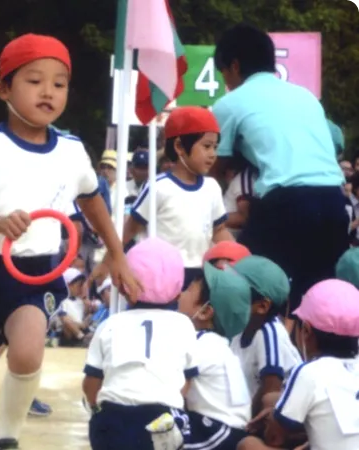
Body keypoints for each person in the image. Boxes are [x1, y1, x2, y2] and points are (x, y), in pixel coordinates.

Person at [0, 34, 141, 450]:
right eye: (35, 81)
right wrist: (0, 223)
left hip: (38, 272)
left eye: (59, 84)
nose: (48, 92)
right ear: (4, 89)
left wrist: (117, 254)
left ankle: (5, 439)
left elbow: (93, 203)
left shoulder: (73, 150)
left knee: (27, 355)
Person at [212, 24, 348, 323]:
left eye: (223, 72)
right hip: (335, 204)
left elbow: (212, 165)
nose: (226, 81)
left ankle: (258, 359)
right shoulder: (306, 97)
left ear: (234, 65)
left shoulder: (229, 103)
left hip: (288, 204)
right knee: (316, 299)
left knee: (251, 282)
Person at [84, 238, 196, 450]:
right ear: (179, 290)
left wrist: (95, 409)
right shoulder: (184, 325)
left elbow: (91, 383)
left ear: (125, 287)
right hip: (162, 419)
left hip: (112, 418)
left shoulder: (110, 324)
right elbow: (186, 384)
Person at [240, 280, 359, 450]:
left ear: (306, 331)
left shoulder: (309, 372)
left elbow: (275, 438)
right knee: (274, 401)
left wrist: (275, 418)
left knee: (248, 444)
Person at [124, 106, 233, 289]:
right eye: (206, 146)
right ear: (179, 146)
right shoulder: (159, 186)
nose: (213, 154)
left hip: (199, 274)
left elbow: (219, 230)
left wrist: (239, 256)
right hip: (160, 275)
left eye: (215, 147)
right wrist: (110, 260)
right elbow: (131, 228)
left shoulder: (212, 188)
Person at [178, 262, 254, 450]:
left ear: (205, 312)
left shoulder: (200, 344)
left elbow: (176, 390)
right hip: (229, 429)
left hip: (217, 431)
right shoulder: (219, 344)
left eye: (188, 290)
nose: (180, 294)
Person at [229, 256, 302, 417]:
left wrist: (247, 420)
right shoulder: (240, 327)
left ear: (262, 306)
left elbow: (271, 389)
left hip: (276, 418)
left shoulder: (269, 334)